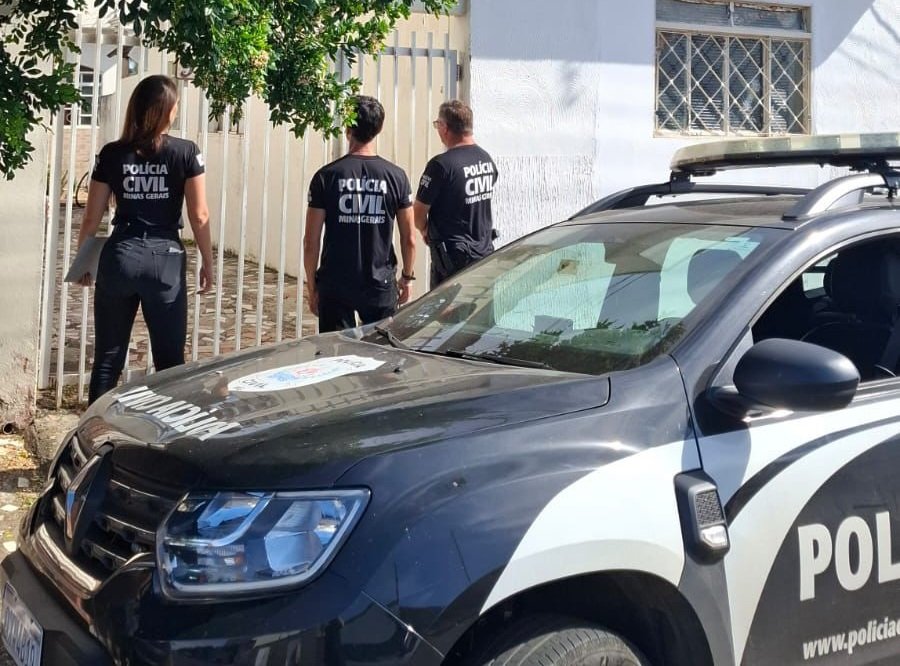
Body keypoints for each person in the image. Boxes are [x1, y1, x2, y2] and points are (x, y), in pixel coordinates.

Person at [75, 74, 214, 404]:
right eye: (176, 105)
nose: (177, 110)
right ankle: (170, 440)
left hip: (120, 255)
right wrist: (207, 262)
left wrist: (84, 262)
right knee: (170, 365)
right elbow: (200, 215)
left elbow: (92, 218)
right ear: (166, 111)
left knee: (108, 361)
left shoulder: (111, 154)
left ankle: (92, 436)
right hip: (164, 260)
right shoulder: (186, 153)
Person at [304, 95, 416, 333]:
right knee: (381, 355)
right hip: (380, 282)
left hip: (336, 283)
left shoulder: (326, 176)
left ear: (348, 128)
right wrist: (407, 277)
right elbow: (409, 238)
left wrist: (313, 287)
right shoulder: (396, 176)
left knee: (334, 357)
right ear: (380, 128)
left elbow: (310, 242)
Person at [414, 99, 498, 288]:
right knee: (481, 313)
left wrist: (425, 229)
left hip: (453, 262)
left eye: (437, 124)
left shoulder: (441, 165)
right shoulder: (486, 159)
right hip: (484, 254)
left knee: (447, 317)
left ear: (444, 127)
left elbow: (418, 214)